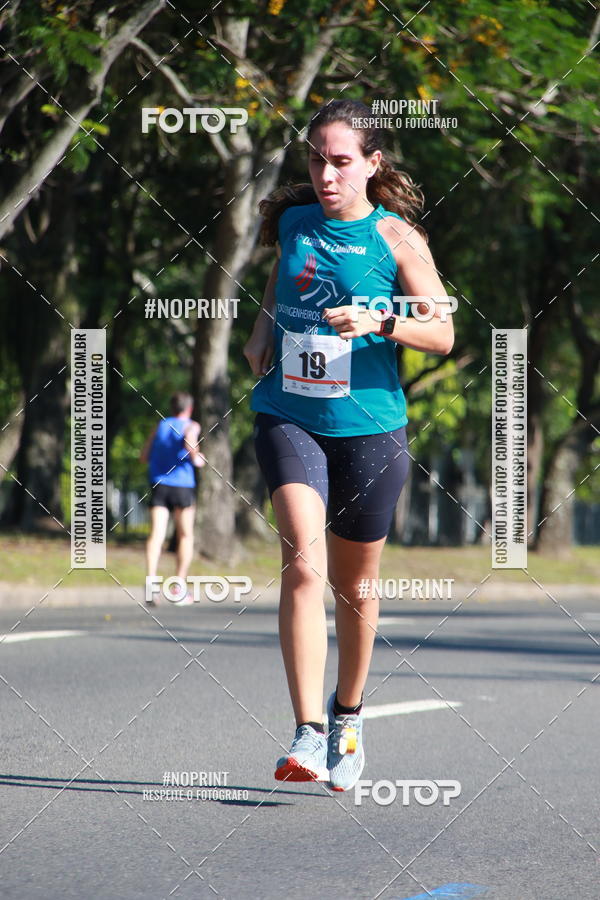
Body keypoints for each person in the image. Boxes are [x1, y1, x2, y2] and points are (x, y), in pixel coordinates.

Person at [243, 99, 454, 791]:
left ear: (372, 163)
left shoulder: (397, 238)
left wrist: (380, 319)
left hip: (370, 428)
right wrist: (262, 328)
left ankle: (347, 716)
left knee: (355, 587)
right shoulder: (295, 222)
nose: (326, 175)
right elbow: (282, 276)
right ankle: (306, 731)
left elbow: (442, 332)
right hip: (289, 415)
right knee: (302, 564)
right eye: (316, 160)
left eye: (340, 162)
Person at [140, 391, 206, 606]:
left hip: (159, 484)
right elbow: (189, 442)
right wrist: (197, 457)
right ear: (190, 408)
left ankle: (151, 583)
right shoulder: (191, 425)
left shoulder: (160, 425)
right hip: (182, 486)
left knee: (156, 534)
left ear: (172, 407)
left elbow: (144, 456)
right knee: (185, 535)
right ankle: (178, 588)